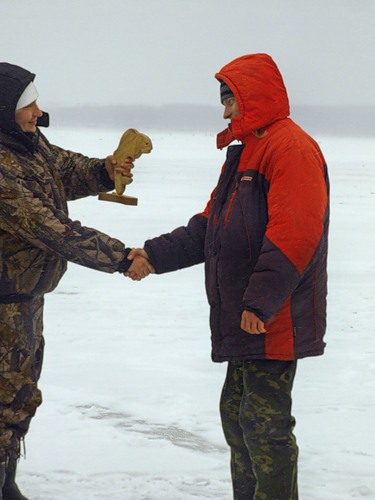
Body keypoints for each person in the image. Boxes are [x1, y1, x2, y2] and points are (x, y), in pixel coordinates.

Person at [126, 53, 330, 499]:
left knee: (264, 425)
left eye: (230, 102)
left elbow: (294, 235)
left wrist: (260, 302)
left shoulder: (290, 149)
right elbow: (211, 228)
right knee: (237, 415)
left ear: (251, 99)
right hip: (248, 316)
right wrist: (153, 255)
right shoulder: (246, 153)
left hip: (272, 319)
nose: (224, 112)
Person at [0, 62, 152, 500]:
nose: (37, 111)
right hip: (3, 303)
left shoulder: (28, 144)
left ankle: (6, 481)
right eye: (29, 104)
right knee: (5, 398)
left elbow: (64, 170)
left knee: (19, 396)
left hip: (24, 298)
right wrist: (121, 258)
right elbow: (52, 229)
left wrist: (105, 170)